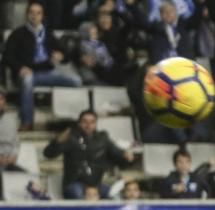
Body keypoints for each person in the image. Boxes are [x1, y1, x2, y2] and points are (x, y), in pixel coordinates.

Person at [2, 1, 83, 130]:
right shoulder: (17, 33)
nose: (34, 16)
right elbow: (7, 57)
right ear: (26, 15)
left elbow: (65, 54)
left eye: (38, 13)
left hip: (46, 73)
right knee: (28, 80)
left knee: (76, 80)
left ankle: (74, 121)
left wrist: (61, 56)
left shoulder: (48, 34)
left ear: (42, 16)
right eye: (31, 13)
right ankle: (27, 122)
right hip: (27, 73)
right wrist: (20, 68)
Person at [43, 109, 134, 199]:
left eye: (92, 122)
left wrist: (127, 157)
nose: (88, 125)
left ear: (96, 123)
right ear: (79, 123)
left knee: (114, 195)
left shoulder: (103, 139)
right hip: (75, 184)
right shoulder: (70, 138)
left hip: (96, 185)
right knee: (77, 194)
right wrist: (57, 142)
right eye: (85, 122)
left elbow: (118, 156)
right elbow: (48, 154)